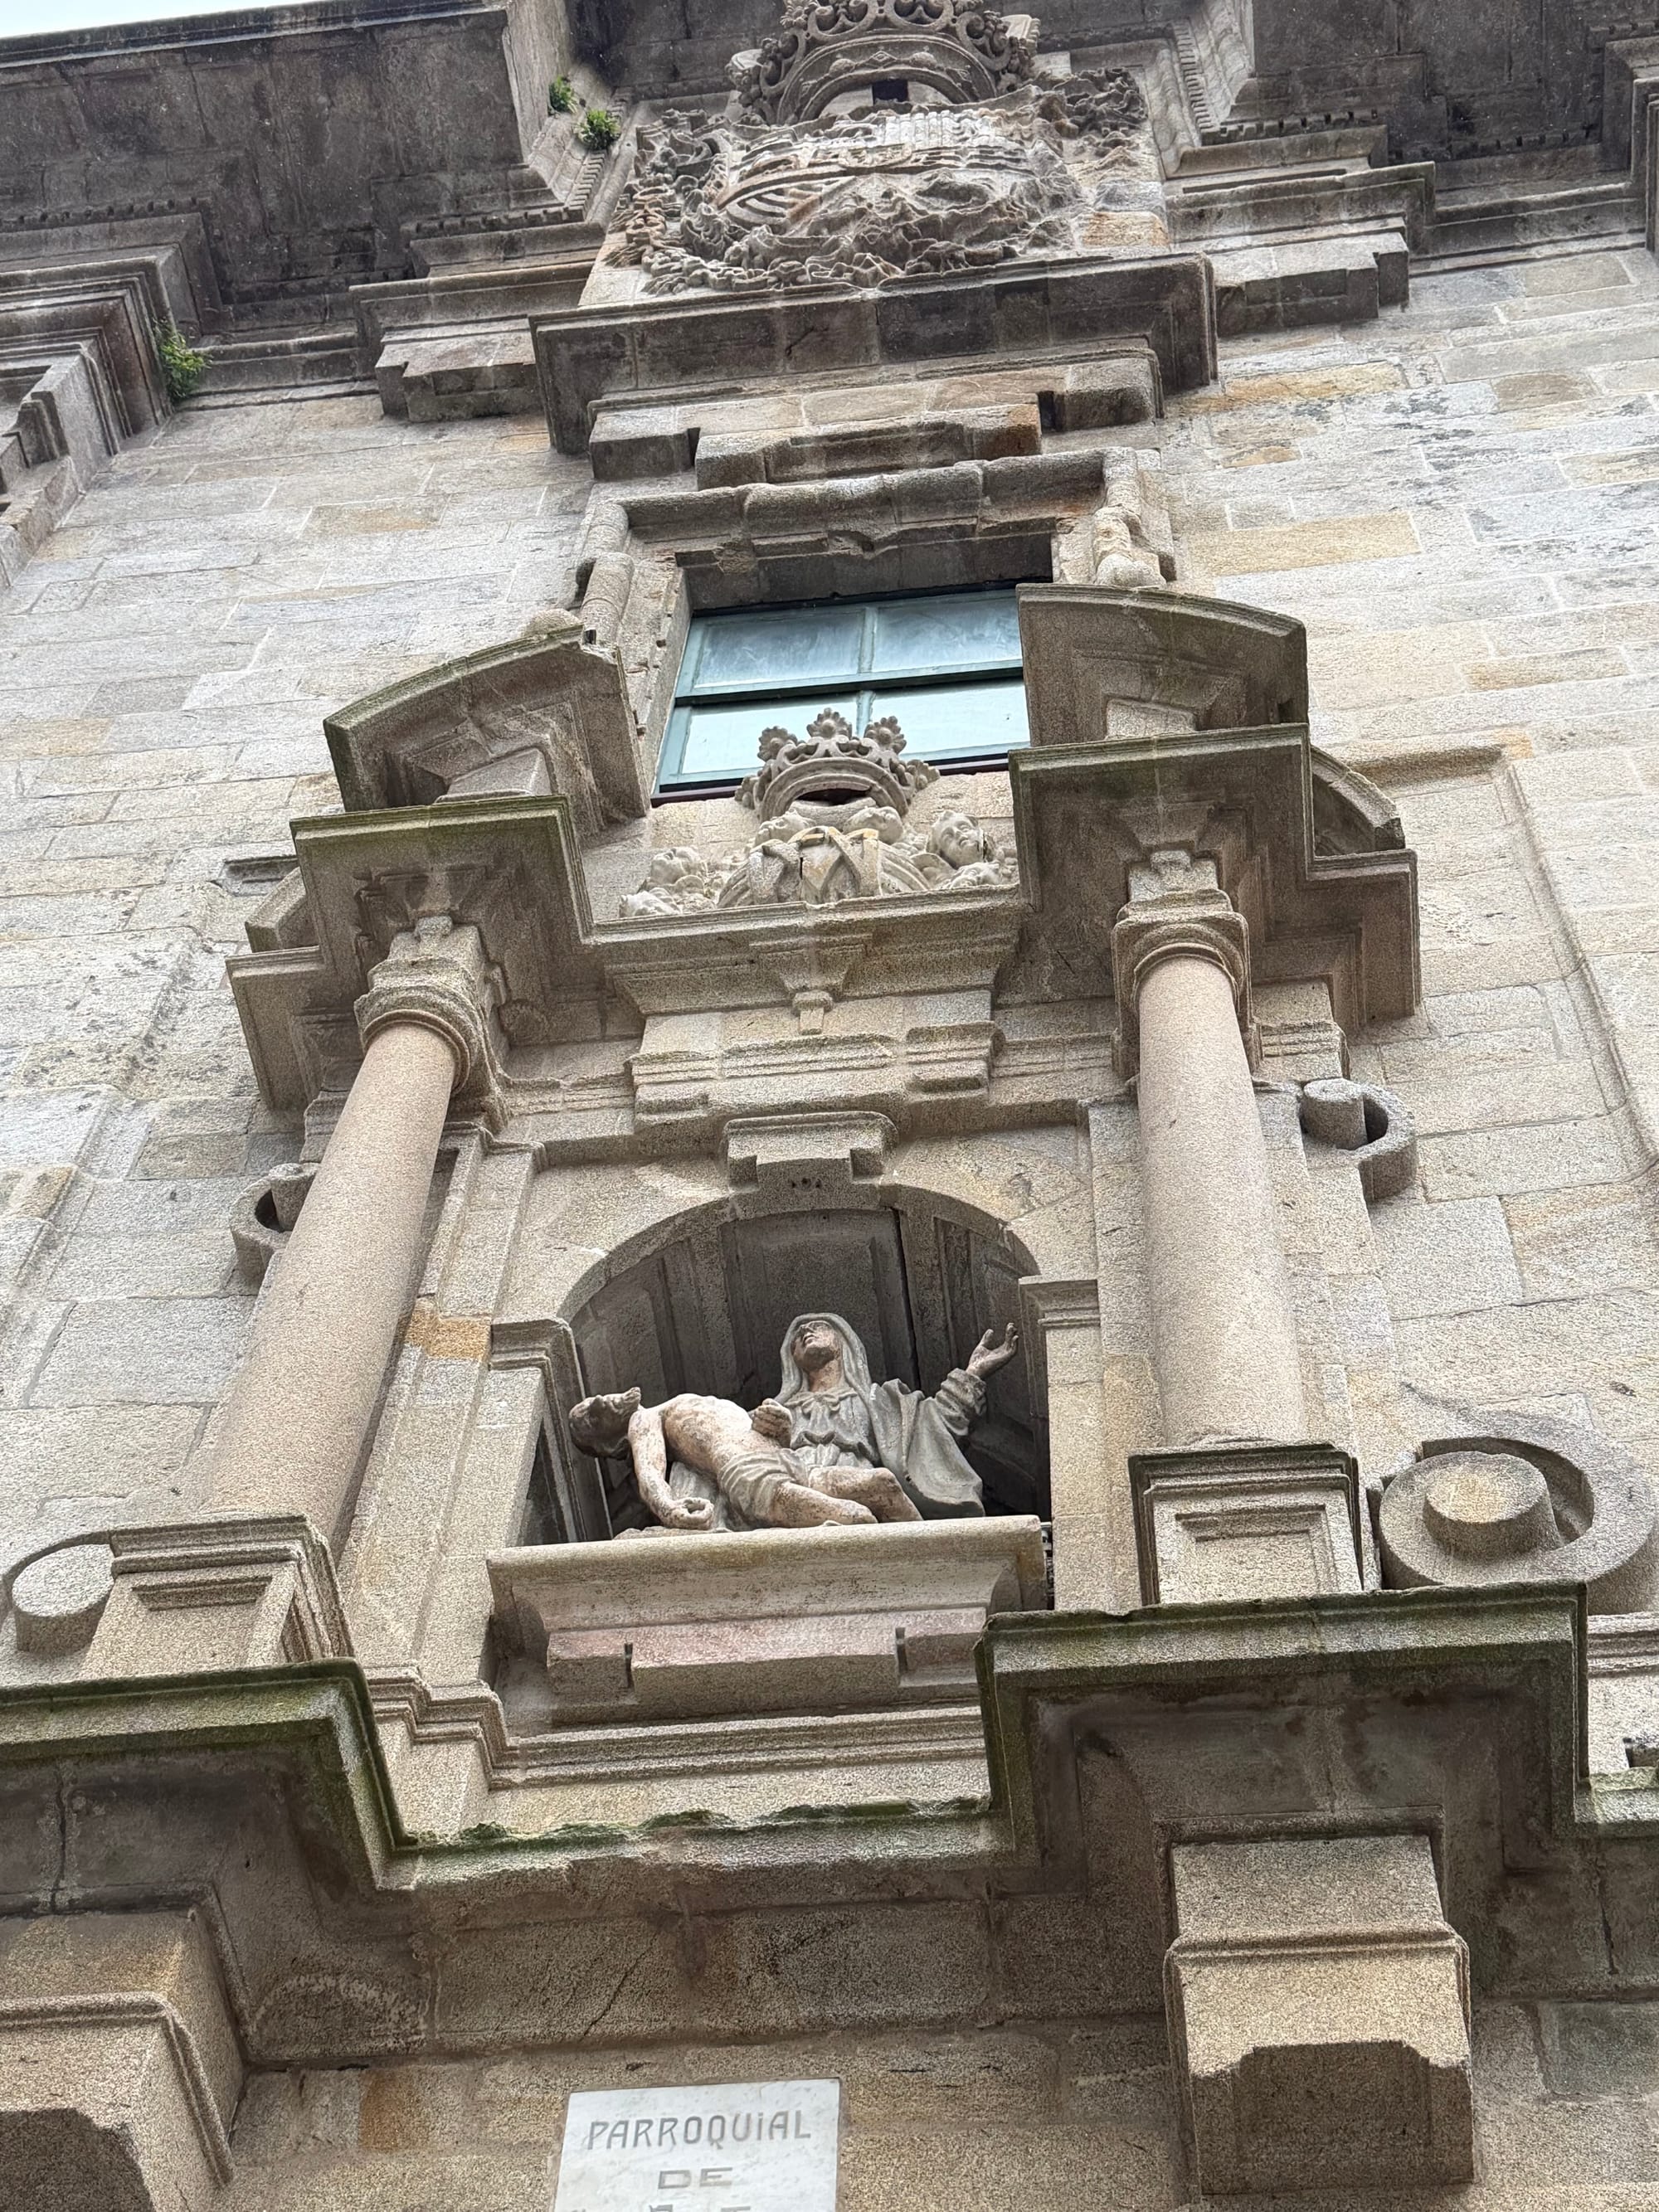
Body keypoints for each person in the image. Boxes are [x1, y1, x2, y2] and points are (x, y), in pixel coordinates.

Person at [567, 1384, 922, 1534]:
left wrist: (780, 1426)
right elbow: (649, 1475)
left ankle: (940, 1572)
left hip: (789, 1461)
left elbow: (761, 1434)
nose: (600, 1401)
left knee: (884, 1484)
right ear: (611, 1444)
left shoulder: (675, 1404)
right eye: (594, 1417)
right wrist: (670, 1509)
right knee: (857, 1518)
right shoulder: (644, 1420)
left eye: (592, 1400)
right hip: (751, 1476)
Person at [772, 1313, 1019, 1519]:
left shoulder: (879, 1402)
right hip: (793, 1480)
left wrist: (972, 1374)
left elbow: (932, 1428)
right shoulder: (777, 1409)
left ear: (843, 1341)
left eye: (819, 1326)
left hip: (856, 1480)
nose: (805, 1331)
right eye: (797, 1336)